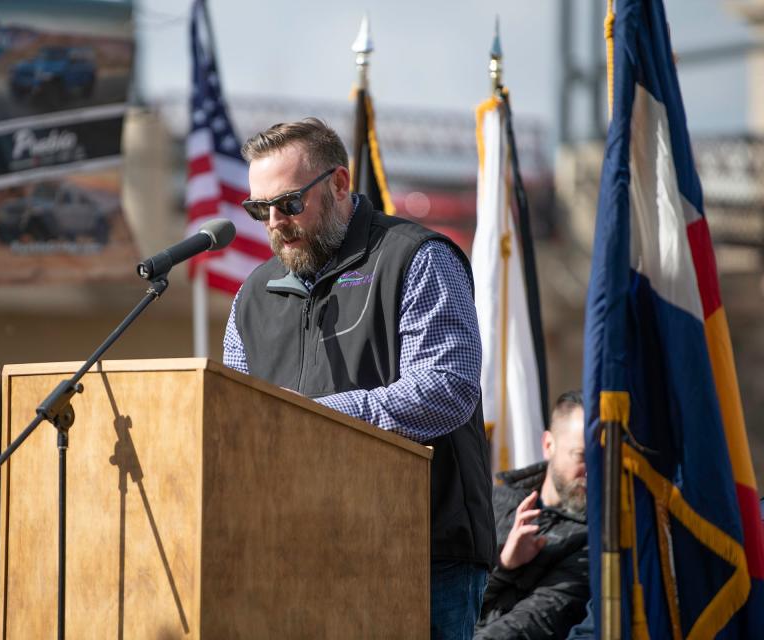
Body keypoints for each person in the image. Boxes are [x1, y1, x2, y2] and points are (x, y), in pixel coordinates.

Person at [222, 118, 496, 639]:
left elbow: (447, 388)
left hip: (422, 552)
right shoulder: (251, 297)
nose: (275, 222)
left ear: (340, 185)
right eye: (260, 210)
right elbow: (237, 419)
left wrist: (317, 419)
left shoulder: (417, 258)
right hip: (294, 555)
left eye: (289, 203)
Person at [474, 390, 588, 639]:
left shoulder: (593, 537)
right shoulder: (495, 501)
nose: (590, 472)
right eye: (581, 456)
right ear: (548, 445)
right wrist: (504, 565)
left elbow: (536, 622)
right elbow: (452, 595)